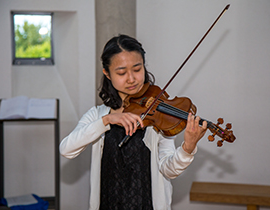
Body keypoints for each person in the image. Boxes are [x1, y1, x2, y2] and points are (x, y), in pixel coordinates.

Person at [59, 34, 207, 210]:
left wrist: (187, 148)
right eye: (121, 72)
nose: (131, 78)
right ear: (107, 73)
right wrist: (106, 120)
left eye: (137, 69)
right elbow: (66, 149)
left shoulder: (157, 116)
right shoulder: (98, 115)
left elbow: (169, 170)